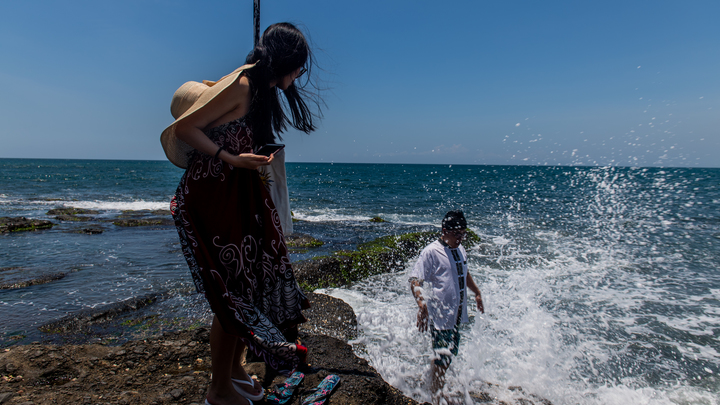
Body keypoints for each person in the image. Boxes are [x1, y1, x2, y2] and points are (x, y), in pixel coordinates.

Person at [160, 23, 321, 405]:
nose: (299, 74)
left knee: (244, 291)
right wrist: (230, 157)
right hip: (215, 195)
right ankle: (218, 391)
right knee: (231, 297)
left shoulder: (260, 87)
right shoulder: (246, 84)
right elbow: (185, 129)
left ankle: (232, 373)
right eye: (298, 66)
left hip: (237, 193)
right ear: (284, 60)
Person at [409, 210, 484, 403]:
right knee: (442, 358)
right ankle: (434, 397)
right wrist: (422, 305)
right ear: (444, 231)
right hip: (440, 317)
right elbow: (415, 281)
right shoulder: (431, 252)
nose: (460, 237)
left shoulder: (460, 249)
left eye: (463, 233)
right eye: (456, 233)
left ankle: (432, 388)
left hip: (456, 316)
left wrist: (477, 293)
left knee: (447, 357)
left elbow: (465, 273)